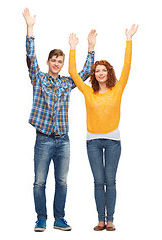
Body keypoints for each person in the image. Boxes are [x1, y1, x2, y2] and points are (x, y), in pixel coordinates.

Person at [22, 8, 97, 232]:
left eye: (60, 61)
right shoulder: (38, 78)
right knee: (39, 182)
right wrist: (30, 29)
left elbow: (84, 72)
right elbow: (30, 57)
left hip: (63, 140)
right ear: (48, 62)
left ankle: (59, 219)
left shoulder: (66, 83)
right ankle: (41, 218)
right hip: (43, 139)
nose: (57, 63)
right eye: (54, 60)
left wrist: (90, 48)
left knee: (62, 182)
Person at [69, 24, 138, 231]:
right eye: (97, 71)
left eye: (103, 70)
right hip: (92, 142)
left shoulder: (117, 89)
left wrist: (128, 40)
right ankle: (101, 219)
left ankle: (111, 220)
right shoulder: (88, 92)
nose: (100, 73)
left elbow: (127, 66)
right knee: (99, 182)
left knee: (111, 181)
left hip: (113, 142)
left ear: (109, 72)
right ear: (94, 74)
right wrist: (74, 48)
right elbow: (73, 72)